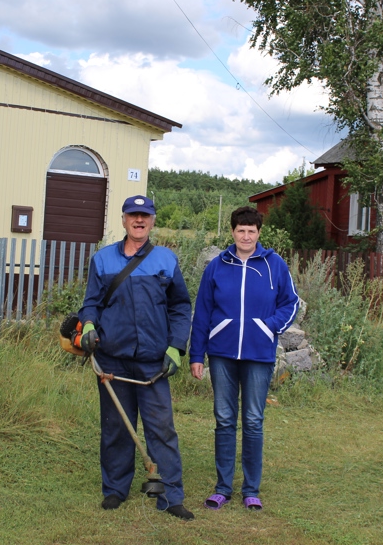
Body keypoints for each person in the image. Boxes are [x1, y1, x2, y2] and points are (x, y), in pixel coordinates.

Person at [77, 195, 195, 520]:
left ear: (153, 221)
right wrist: (88, 324)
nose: (139, 221)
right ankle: (115, 490)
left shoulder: (166, 260)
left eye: (145, 216)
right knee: (116, 428)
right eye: (133, 215)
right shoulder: (102, 260)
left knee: (162, 429)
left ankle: (171, 497)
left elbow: (180, 307)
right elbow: (91, 303)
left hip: (153, 362)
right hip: (112, 359)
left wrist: (176, 346)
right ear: (124, 219)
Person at [188, 206, 299, 512]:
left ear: (259, 233)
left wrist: (268, 326)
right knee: (224, 419)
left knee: (252, 420)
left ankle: (251, 488)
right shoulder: (217, 266)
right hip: (221, 354)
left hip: (259, 355)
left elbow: (290, 303)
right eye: (241, 230)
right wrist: (197, 354)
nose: (246, 236)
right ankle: (223, 487)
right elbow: (202, 314)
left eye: (252, 231)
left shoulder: (274, 265)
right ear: (233, 232)